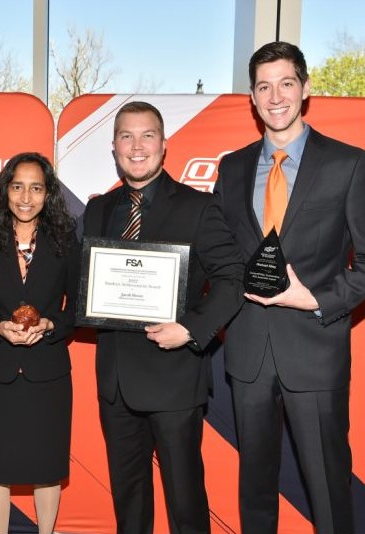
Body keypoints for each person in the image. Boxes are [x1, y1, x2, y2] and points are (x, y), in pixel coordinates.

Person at [214, 41, 365, 534]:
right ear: (252, 99)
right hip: (248, 352)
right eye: (263, 86)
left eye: (285, 83)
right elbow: (220, 258)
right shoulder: (231, 168)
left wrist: (317, 299)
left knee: (327, 489)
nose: (275, 95)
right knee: (255, 490)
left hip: (315, 352)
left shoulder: (349, 165)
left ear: (305, 89)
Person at [82, 101, 245, 534]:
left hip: (174, 376)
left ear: (164, 144)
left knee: (185, 499)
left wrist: (190, 329)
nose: (137, 147)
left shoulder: (198, 207)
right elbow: (80, 283)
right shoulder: (98, 209)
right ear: (114, 147)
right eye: (126, 137)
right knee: (129, 500)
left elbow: (232, 280)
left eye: (147, 135)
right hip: (116, 381)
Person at [0, 152, 79, 534]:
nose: (26, 197)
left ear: (48, 194)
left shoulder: (65, 241)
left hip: (48, 372)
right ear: (5, 190)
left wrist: (49, 323)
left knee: (47, 469)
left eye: (36, 187)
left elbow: (76, 308)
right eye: (18, 186)